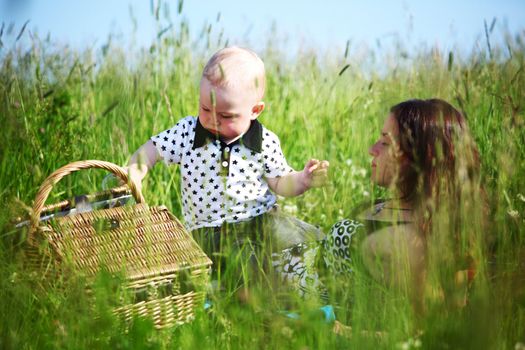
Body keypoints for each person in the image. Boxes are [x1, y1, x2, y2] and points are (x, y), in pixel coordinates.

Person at [125, 46, 329, 293]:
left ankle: (301, 289)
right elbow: (152, 149)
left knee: (296, 251)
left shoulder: (263, 141)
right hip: (208, 233)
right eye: (205, 109)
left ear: (254, 111)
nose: (212, 120)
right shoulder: (188, 132)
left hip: (260, 225)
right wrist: (134, 171)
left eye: (226, 115)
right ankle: (233, 297)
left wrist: (303, 179)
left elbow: (281, 182)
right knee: (236, 271)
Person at [276, 98, 483, 317]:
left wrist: (334, 328)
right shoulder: (392, 208)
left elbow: (427, 326)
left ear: (418, 155)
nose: (371, 150)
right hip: (284, 258)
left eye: (385, 143)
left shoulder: (412, 238)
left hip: (280, 295)